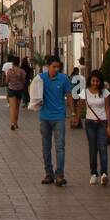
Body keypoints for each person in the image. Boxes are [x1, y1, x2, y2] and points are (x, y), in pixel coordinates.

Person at [38, 55, 76, 186]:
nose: (56, 69)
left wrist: (73, 112)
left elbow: (69, 96)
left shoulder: (64, 79)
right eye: (54, 67)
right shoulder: (41, 79)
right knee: (46, 147)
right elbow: (33, 92)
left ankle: (60, 174)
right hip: (44, 117)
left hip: (59, 117)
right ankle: (49, 174)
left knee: (60, 146)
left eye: (58, 67)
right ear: (48, 66)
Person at [81, 68, 110, 185]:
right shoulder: (84, 92)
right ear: (90, 80)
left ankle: (104, 173)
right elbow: (81, 106)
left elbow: (108, 108)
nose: (95, 83)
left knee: (103, 148)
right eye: (93, 81)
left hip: (102, 123)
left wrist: (109, 126)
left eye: (98, 81)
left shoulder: (105, 92)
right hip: (90, 123)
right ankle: (93, 173)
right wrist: (78, 116)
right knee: (92, 149)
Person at [4, 56, 27, 129]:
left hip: (11, 90)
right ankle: (16, 123)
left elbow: (7, 81)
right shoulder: (22, 71)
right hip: (19, 90)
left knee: (12, 107)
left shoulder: (10, 71)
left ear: (12, 63)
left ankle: (12, 123)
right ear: (19, 62)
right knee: (17, 107)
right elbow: (24, 81)